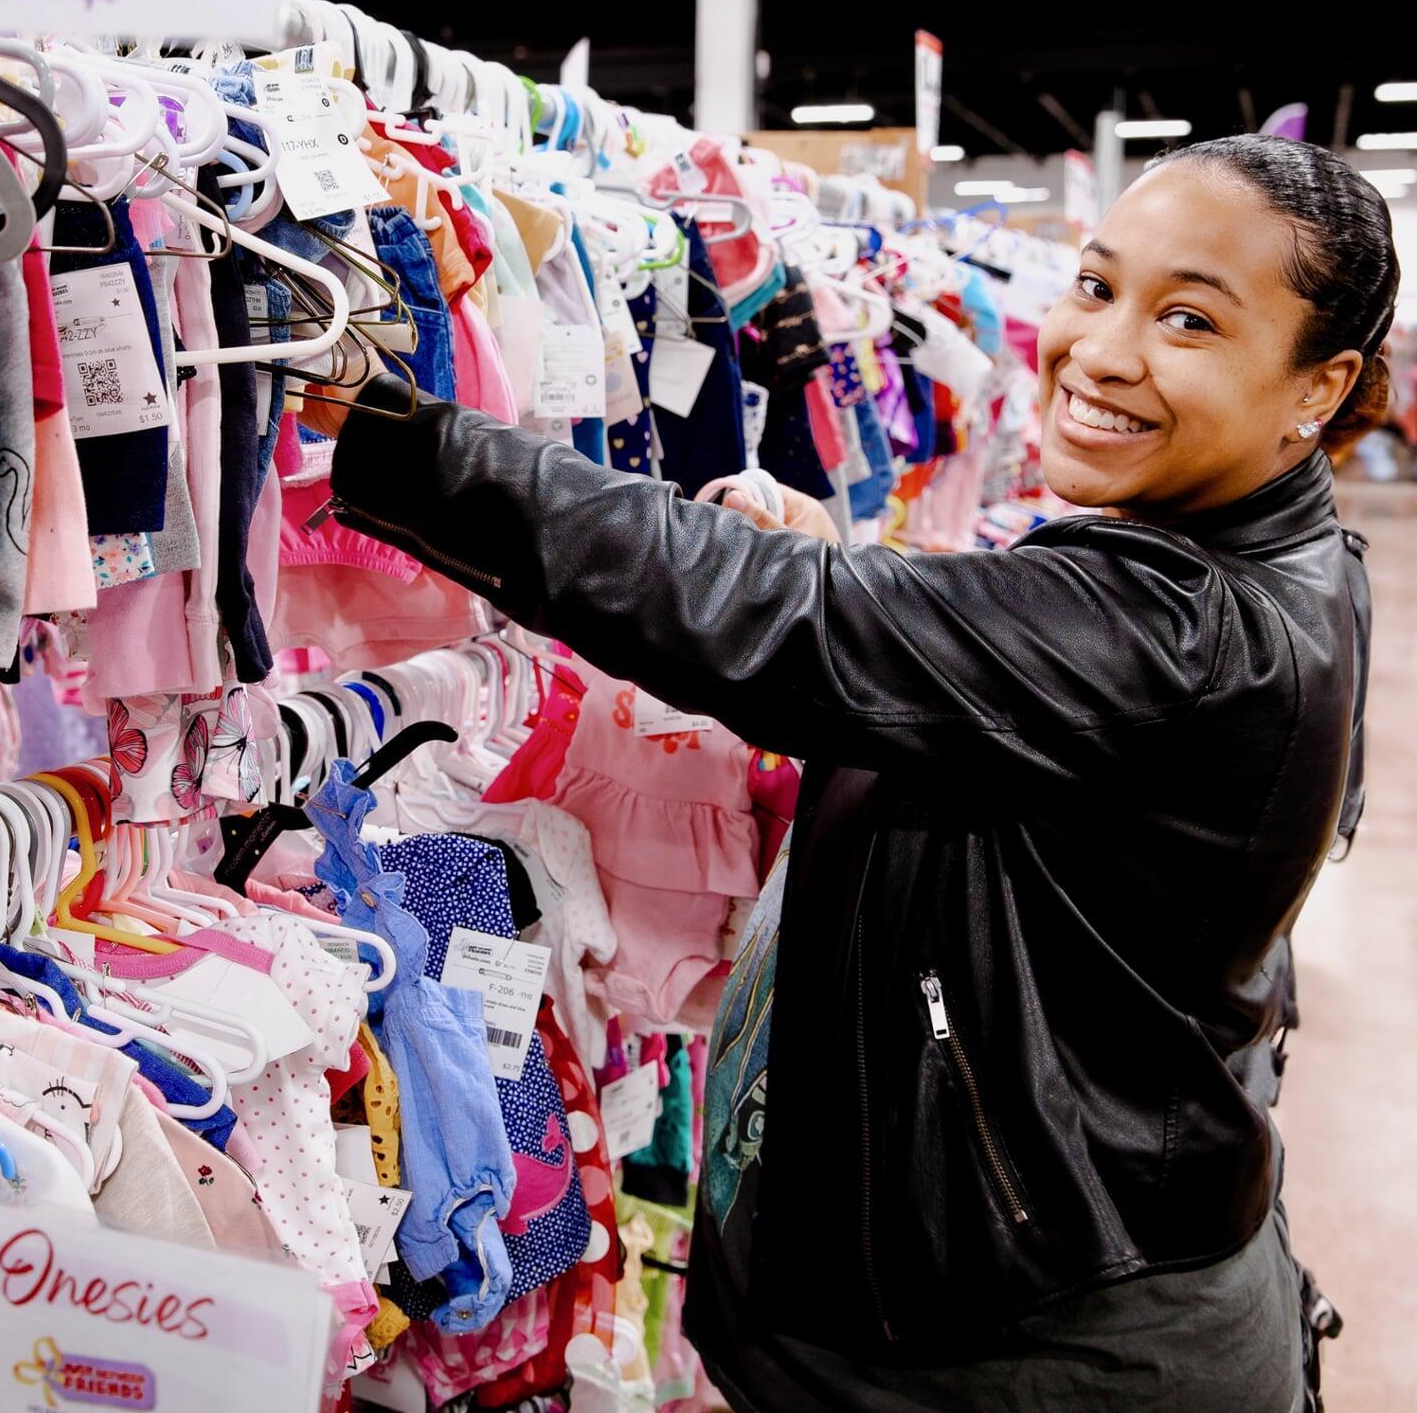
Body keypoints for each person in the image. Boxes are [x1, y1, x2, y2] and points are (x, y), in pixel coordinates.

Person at [307, 134, 1392, 1411]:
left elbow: (778, 615)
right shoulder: (1280, 565)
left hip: (1025, 1336)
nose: (1101, 350)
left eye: (1189, 320)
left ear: (1316, 385)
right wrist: (873, 572)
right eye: (1097, 288)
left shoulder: (1186, 622)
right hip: (1062, 1255)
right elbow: (1027, 687)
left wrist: (390, 431)